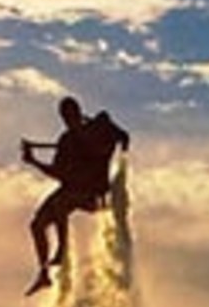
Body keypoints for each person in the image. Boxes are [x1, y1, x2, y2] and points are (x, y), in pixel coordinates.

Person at [21, 96, 129, 294]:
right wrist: (34, 162)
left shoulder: (98, 127)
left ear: (78, 113)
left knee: (61, 203)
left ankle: (61, 249)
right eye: (65, 118)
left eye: (71, 116)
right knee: (37, 224)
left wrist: (114, 144)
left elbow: (123, 137)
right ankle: (44, 273)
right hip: (73, 190)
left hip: (96, 195)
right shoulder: (66, 141)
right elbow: (59, 173)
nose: (68, 121)